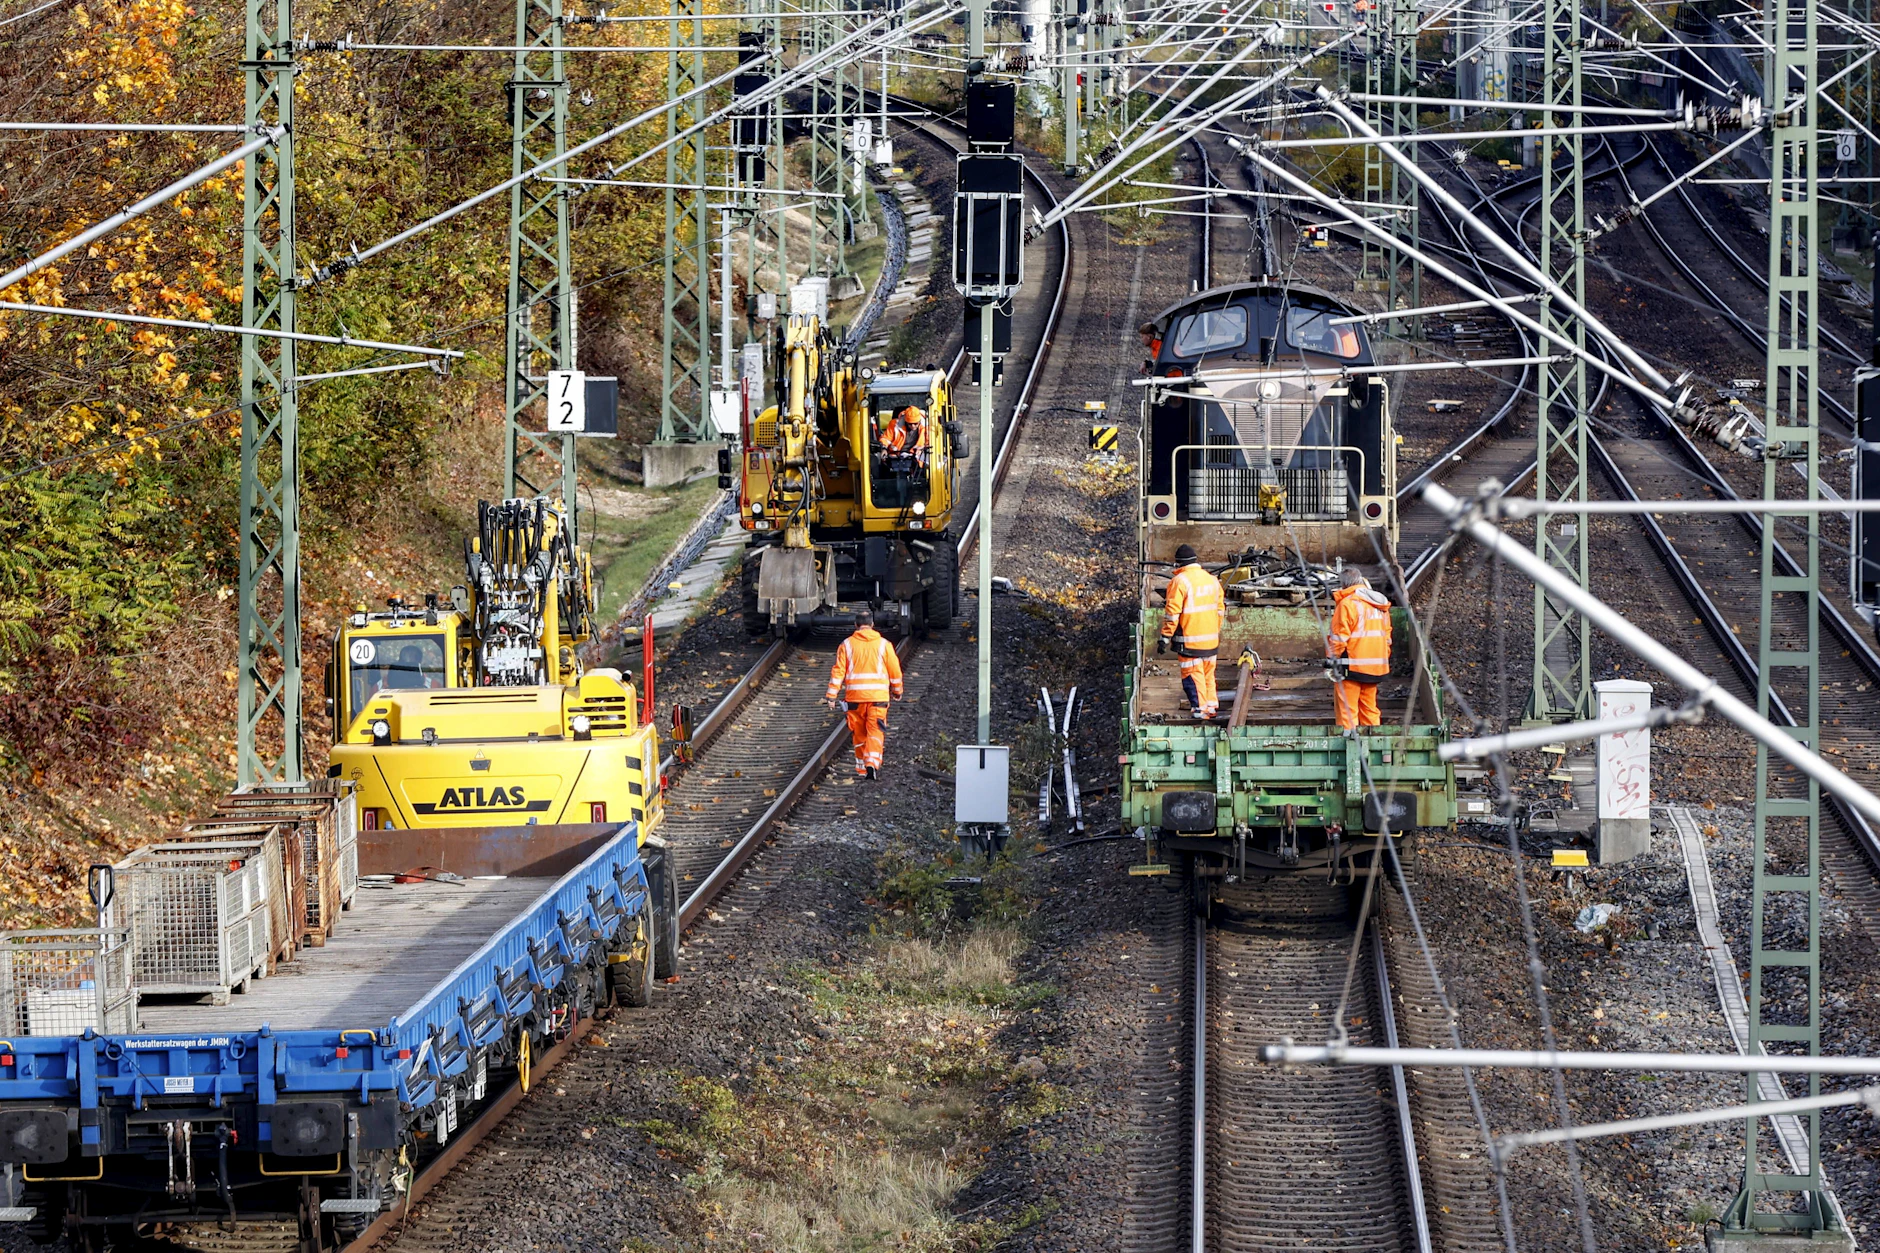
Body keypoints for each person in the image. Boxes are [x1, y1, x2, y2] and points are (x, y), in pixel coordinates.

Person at [825, 607, 904, 779]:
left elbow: (838, 672)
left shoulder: (846, 645)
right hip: (878, 699)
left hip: (855, 699)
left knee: (859, 733)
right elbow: (895, 671)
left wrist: (831, 696)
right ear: (872, 625)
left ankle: (861, 768)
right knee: (875, 731)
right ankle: (872, 764)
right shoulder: (884, 645)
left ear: (856, 625)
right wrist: (897, 691)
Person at [1157, 543, 1223, 720]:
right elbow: (1220, 610)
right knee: (1208, 675)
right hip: (1211, 640)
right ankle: (1210, 706)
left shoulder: (1179, 581)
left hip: (1190, 641)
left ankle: (1200, 709)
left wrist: (1165, 637)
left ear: (1179, 563)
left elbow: (1172, 613)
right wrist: (1213, 631)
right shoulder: (1212, 580)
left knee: (1192, 676)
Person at [1328, 568, 1393, 731]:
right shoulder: (1379, 605)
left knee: (1348, 712)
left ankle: (1349, 749)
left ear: (1343, 584)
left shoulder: (1347, 604)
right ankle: (1373, 747)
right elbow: (1387, 637)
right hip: (1375, 667)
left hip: (1351, 667)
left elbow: (1339, 638)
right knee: (1369, 710)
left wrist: (1331, 661)